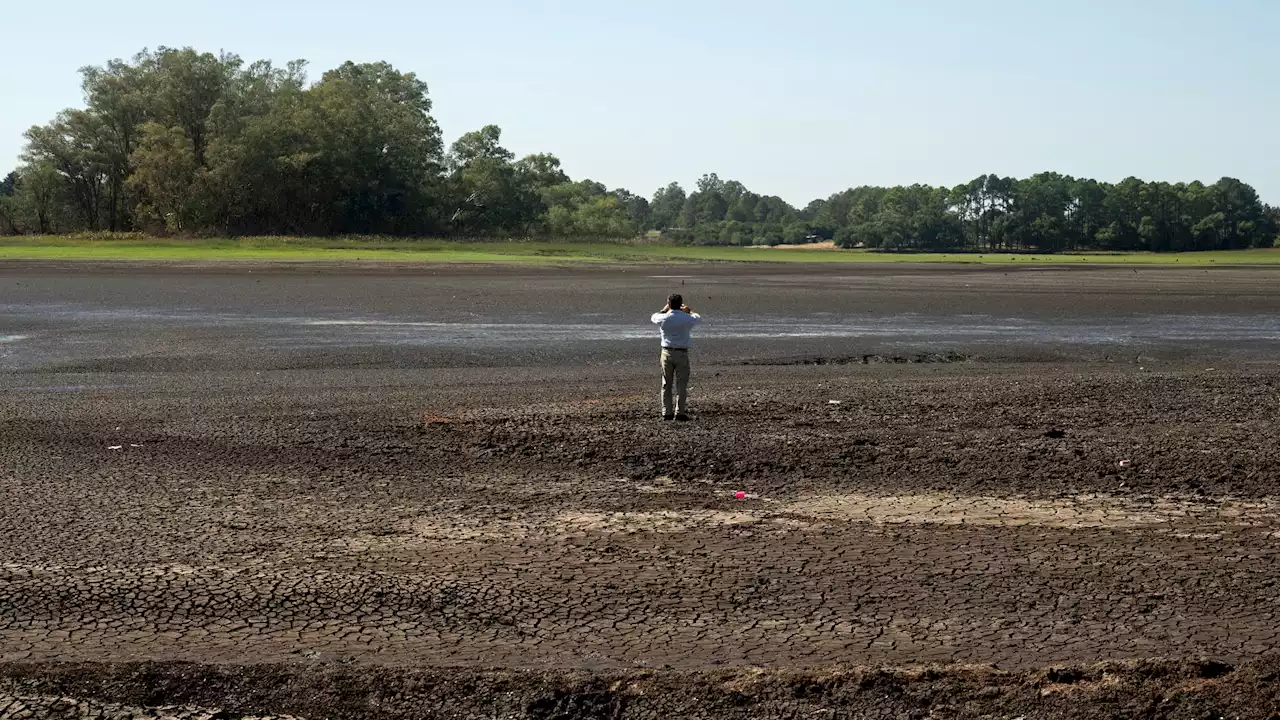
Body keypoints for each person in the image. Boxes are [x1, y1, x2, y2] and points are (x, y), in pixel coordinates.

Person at [650, 293, 702, 421]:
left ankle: (666, 411)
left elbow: (654, 317)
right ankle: (680, 411)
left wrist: (664, 309)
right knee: (681, 384)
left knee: (666, 383)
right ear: (681, 304)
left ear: (668, 303)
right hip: (681, 353)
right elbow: (698, 318)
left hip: (666, 352)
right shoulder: (686, 318)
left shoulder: (663, 318)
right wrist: (689, 311)